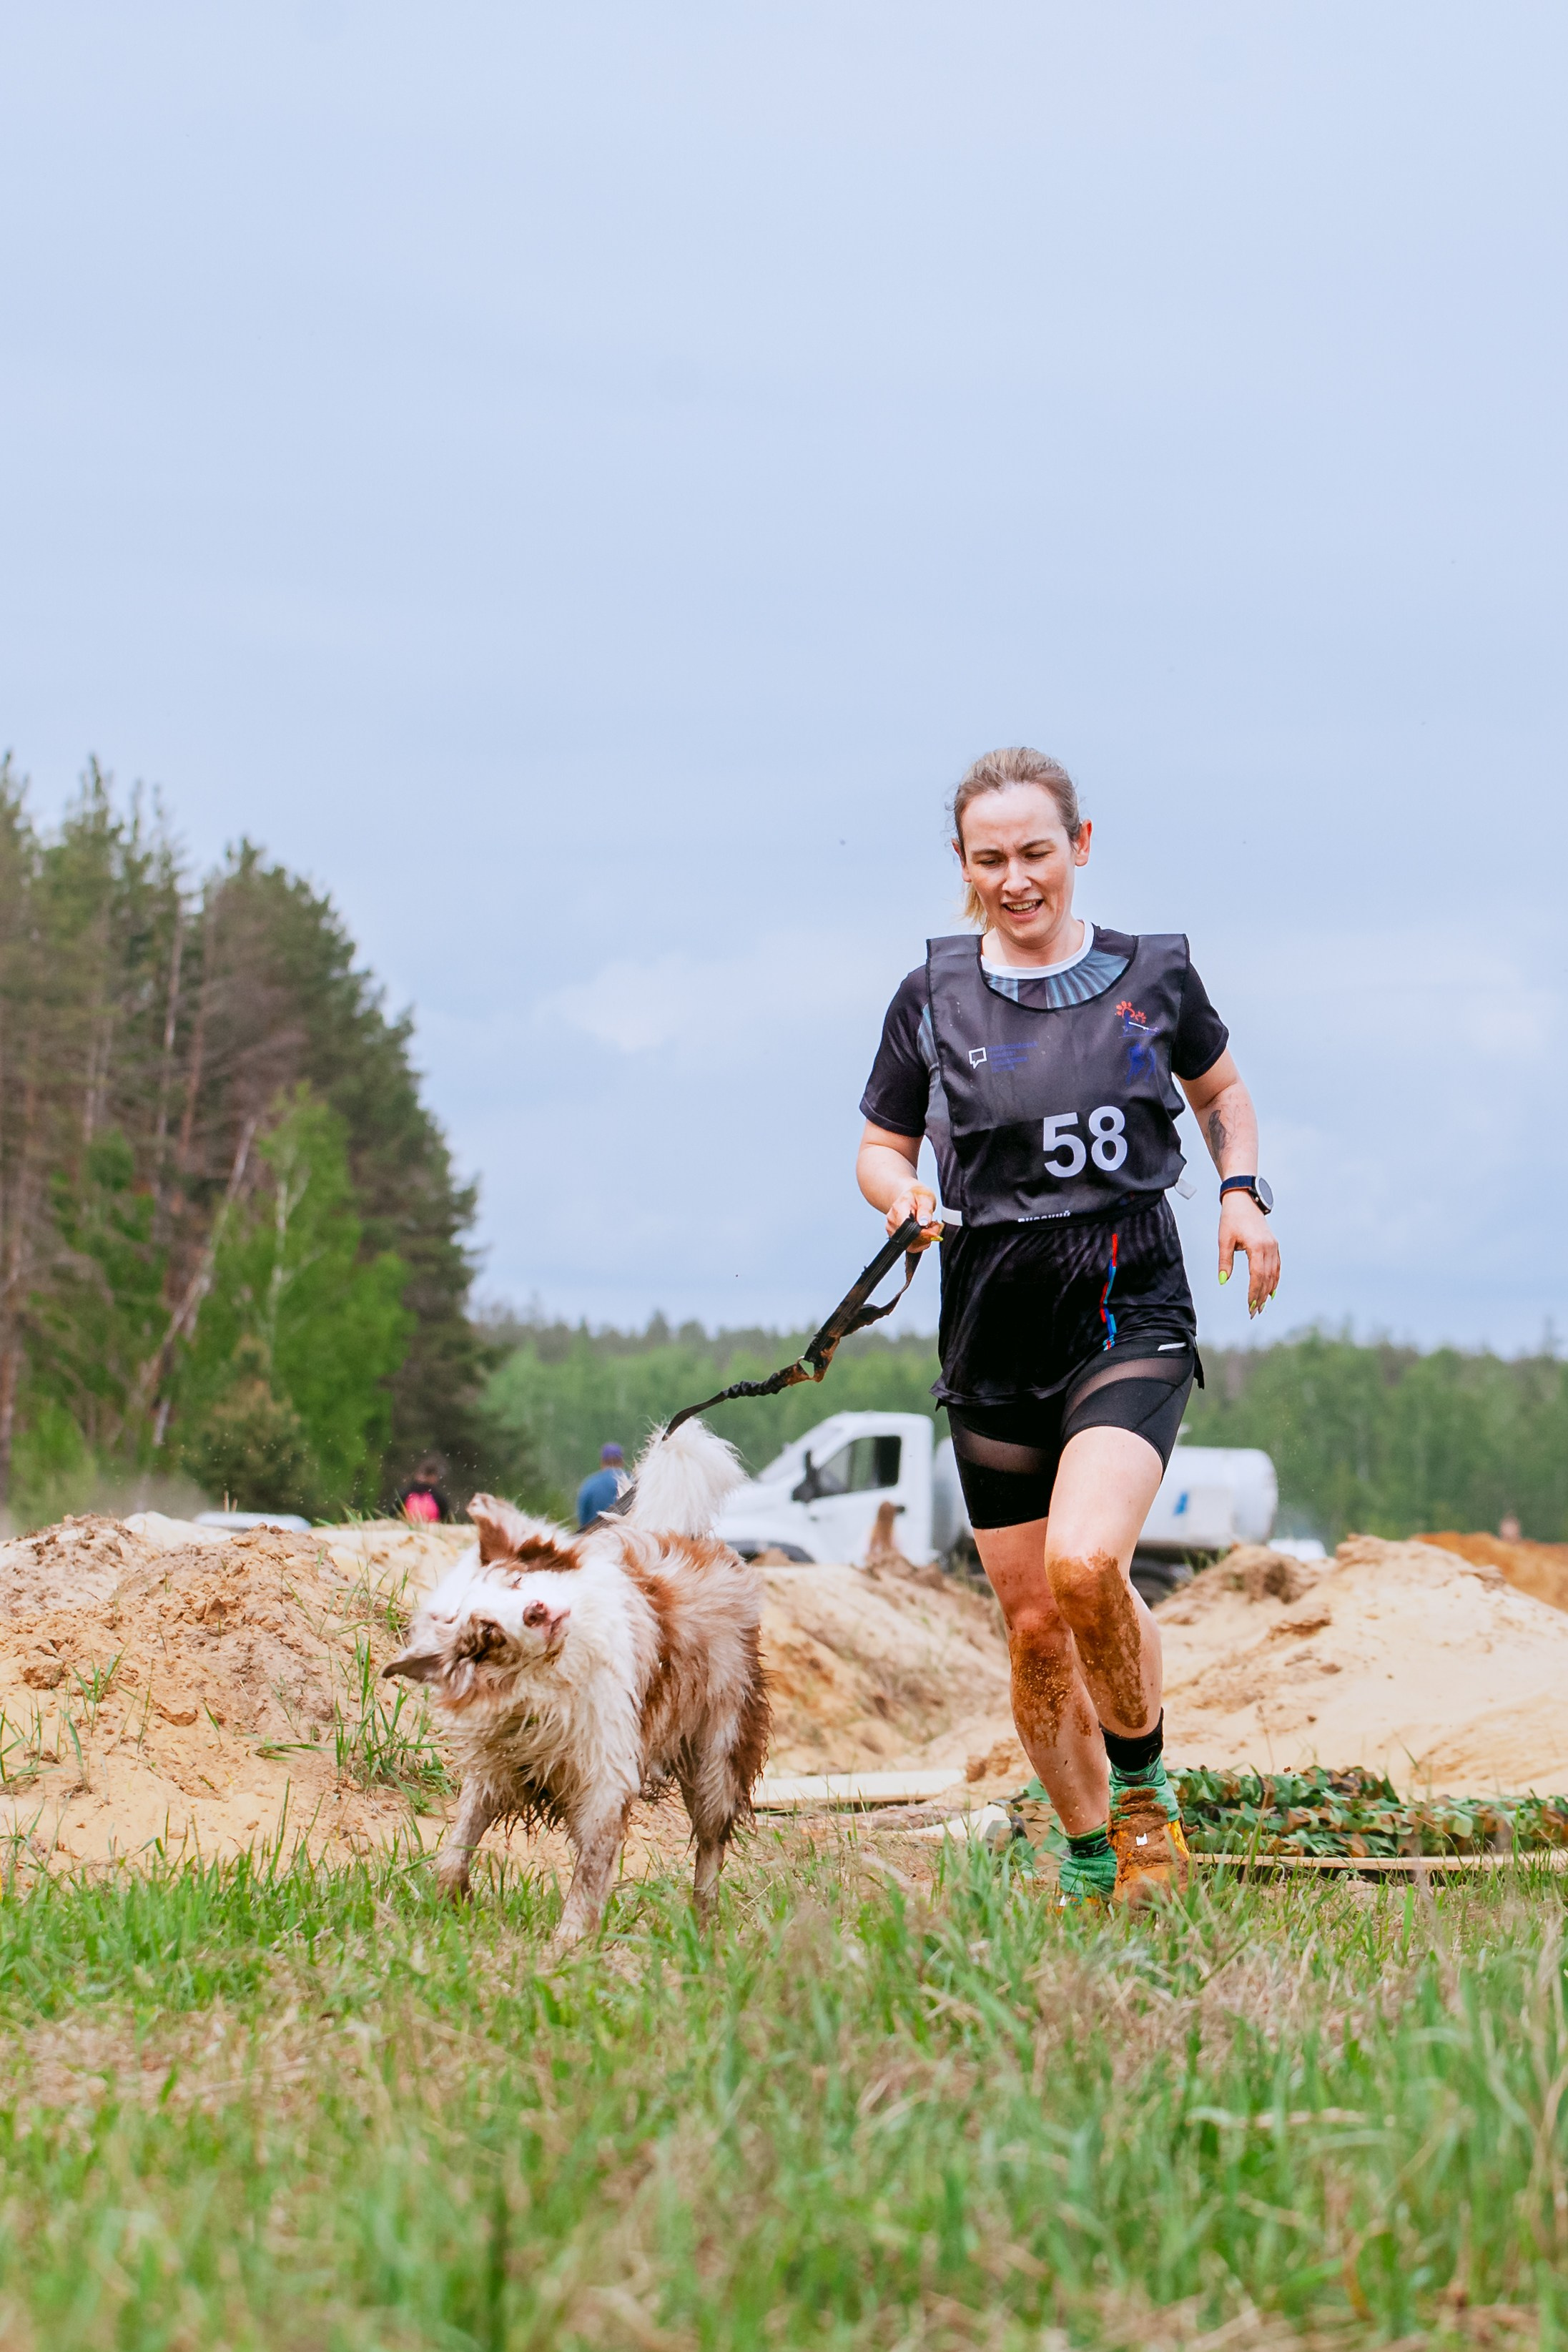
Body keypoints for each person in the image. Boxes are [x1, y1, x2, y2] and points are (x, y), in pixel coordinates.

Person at [855, 747, 1280, 1907]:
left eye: (1035, 851)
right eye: (989, 858)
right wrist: (899, 1195)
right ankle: (1090, 1855)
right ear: (963, 864)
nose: (1015, 876)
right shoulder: (929, 997)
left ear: (1078, 846)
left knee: (1087, 1560)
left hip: (1123, 1296)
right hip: (991, 1321)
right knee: (1039, 1622)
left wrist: (1239, 1192)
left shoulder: (1152, 976)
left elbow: (1222, 1095)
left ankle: (1144, 1799)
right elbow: (880, 1143)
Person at [577, 1442, 626, 1530]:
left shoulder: (590, 1484)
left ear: (602, 1462)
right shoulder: (632, 1482)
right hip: (628, 1539)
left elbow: (583, 1519)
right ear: (621, 1461)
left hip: (597, 1539)